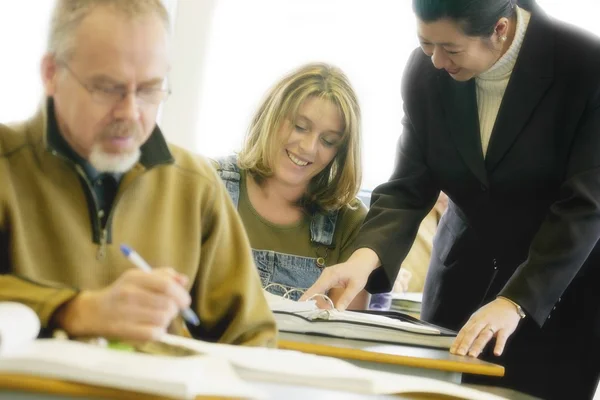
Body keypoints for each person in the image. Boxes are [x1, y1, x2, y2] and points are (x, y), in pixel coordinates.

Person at [302, 0, 600, 398]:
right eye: (426, 44)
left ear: (500, 29)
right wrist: (362, 260)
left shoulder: (584, 66)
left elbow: (584, 204)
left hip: (556, 287)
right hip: (462, 275)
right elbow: (408, 186)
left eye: (452, 49)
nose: (437, 61)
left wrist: (515, 300)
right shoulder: (425, 73)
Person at [0, 0, 276, 347]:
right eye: (107, 88)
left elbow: (252, 338)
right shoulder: (5, 164)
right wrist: (75, 310)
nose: (130, 112)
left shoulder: (195, 185)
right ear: (51, 74)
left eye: (149, 89)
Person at [214, 63, 370, 308]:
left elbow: (345, 335)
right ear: (271, 116)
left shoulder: (349, 221)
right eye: (299, 127)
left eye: (328, 141)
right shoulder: (208, 185)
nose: (308, 147)